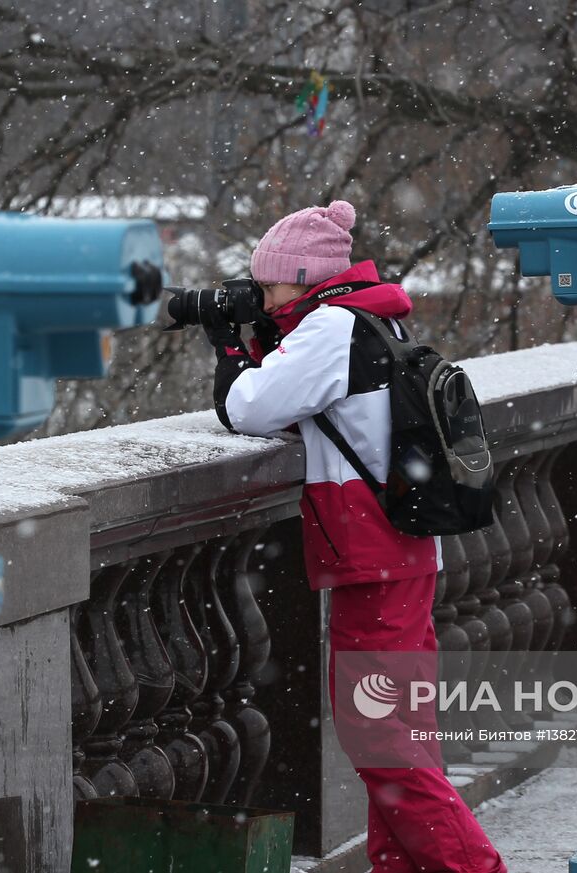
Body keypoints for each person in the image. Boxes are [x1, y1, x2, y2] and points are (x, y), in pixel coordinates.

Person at [207, 200, 508, 873]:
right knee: (405, 732)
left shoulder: (331, 329)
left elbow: (248, 406)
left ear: (306, 278)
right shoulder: (374, 315)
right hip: (403, 547)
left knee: (375, 733)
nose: (266, 296)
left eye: (272, 284)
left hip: (369, 555)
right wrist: (261, 329)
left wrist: (228, 343)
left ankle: (475, 868)